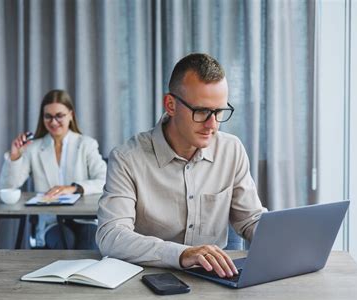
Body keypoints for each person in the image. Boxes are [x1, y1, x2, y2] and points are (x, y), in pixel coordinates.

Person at [96, 53, 267, 278]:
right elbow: (111, 235)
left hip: (216, 279)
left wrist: (282, 238)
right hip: (147, 279)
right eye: (202, 111)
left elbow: (250, 220)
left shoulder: (231, 149)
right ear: (170, 105)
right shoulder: (127, 158)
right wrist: (182, 254)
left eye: (219, 112)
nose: (212, 125)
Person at [0, 89, 106, 249]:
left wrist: (74, 188)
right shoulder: (33, 148)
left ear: (71, 115)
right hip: (51, 221)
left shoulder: (86, 144)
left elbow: (105, 181)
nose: (54, 122)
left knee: (89, 244)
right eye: (48, 116)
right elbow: (8, 187)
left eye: (59, 116)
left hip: (85, 218)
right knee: (65, 242)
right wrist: (15, 157)